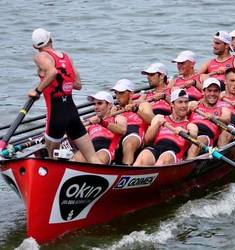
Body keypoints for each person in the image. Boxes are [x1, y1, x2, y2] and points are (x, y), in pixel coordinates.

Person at [28, 28, 101, 163]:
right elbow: (78, 84)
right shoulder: (66, 56)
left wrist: (37, 91)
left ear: (34, 46)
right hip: (72, 113)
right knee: (93, 158)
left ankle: (51, 182)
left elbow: (52, 72)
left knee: (51, 161)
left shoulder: (40, 56)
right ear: (51, 39)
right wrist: (62, 84)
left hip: (56, 115)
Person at [133, 89, 198, 166]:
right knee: (144, 154)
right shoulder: (159, 118)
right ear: (172, 104)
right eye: (180, 102)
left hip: (173, 152)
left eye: (186, 102)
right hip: (156, 148)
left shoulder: (190, 125)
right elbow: (146, 141)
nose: (184, 105)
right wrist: (157, 126)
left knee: (164, 159)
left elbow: (194, 136)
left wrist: (186, 132)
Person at [73, 91, 127, 164]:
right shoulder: (90, 122)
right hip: (90, 147)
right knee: (77, 157)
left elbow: (123, 130)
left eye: (99, 103)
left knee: (100, 158)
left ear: (109, 105)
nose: (96, 107)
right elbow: (76, 137)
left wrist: (101, 122)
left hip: (106, 148)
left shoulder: (118, 117)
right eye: (94, 104)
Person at [111, 79, 154, 165]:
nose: (117, 96)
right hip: (118, 132)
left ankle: (126, 170)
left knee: (129, 144)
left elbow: (152, 121)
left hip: (135, 132)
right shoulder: (114, 109)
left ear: (131, 94)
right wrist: (111, 114)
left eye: (121, 93)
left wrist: (136, 110)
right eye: (116, 93)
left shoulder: (142, 105)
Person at [187, 77, 231, 157]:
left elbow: (227, 120)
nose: (212, 94)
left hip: (205, 136)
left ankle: (187, 165)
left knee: (197, 143)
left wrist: (215, 117)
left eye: (215, 91)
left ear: (219, 92)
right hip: (188, 132)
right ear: (203, 92)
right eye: (209, 90)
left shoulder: (223, 108)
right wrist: (189, 108)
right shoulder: (194, 105)